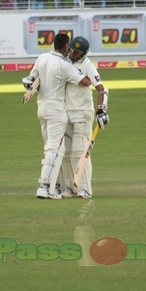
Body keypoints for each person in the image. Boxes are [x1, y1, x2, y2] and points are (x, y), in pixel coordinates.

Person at [22, 33, 92, 199]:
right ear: (66, 46)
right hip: (56, 111)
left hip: (42, 108)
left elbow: (32, 80)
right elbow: (86, 82)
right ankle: (45, 187)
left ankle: (56, 186)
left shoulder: (42, 57)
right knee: (55, 149)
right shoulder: (64, 65)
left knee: (52, 147)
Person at [57, 36, 107, 199]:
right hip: (66, 112)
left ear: (83, 54)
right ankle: (70, 187)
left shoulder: (87, 65)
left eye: (77, 52)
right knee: (65, 152)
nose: (72, 53)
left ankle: (84, 188)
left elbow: (101, 88)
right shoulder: (63, 63)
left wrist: (102, 110)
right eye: (71, 49)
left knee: (80, 150)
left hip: (82, 112)